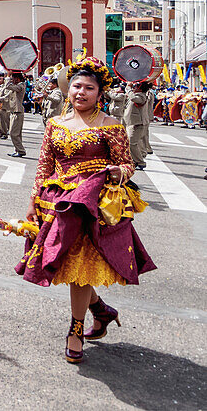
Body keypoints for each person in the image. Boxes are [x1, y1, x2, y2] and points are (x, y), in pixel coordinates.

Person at [18, 54, 155, 363]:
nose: (80, 93)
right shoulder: (55, 124)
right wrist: (32, 200)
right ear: (68, 89)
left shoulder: (111, 125)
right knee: (66, 262)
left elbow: (127, 164)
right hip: (57, 202)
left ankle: (76, 330)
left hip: (92, 204)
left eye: (88, 88)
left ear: (99, 93)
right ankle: (101, 311)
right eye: (76, 86)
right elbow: (43, 166)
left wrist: (118, 172)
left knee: (81, 268)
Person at [122, 82, 150, 169]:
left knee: (132, 143)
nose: (134, 88)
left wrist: (129, 89)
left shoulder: (141, 96)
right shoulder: (136, 94)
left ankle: (140, 162)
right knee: (131, 143)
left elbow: (134, 98)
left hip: (138, 123)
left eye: (135, 86)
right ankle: (134, 160)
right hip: (133, 123)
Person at [5, 73, 27, 157]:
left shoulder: (20, 86)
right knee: (17, 133)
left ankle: (21, 150)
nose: (12, 80)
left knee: (13, 133)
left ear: (18, 79)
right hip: (14, 111)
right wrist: (1, 98)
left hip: (18, 112)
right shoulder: (17, 86)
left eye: (13, 78)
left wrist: (7, 77)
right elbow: (9, 94)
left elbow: (8, 86)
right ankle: (18, 150)